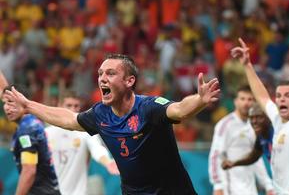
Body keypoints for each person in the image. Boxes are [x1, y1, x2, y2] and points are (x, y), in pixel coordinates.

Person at [3, 53, 221, 194]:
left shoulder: (149, 107)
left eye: (110, 73)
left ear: (129, 81)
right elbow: (69, 119)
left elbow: (180, 110)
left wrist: (200, 100)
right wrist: (29, 105)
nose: (102, 78)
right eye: (100, 74)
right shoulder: (100, 114)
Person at [231, 38, 289, 194]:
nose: (282, 99)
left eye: (288, 95)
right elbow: (262, 97)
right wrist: (247, 65)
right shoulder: (276, 118)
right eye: (279, 96)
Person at [45, 90, 119, 195]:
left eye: (76, 106)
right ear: (59, 106)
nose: (72, 109)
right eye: (69, 105)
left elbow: (97, 149)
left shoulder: (85, 133)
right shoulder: (47, 133)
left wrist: (107, 161)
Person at [0, 71, 61, 195]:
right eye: (5, 103)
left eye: (10, 102)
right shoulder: (30, 122)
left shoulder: (26, 131)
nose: (6, 107)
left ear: (23, 101)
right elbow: (3, 90)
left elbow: (29, 171)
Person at [208, 85, 273, 195]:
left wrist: (268, 185)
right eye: (242, 99)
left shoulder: (255, 126)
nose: (246, 103)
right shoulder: (225, 125)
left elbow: (256, 158)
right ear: (235, 101)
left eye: (250, 99)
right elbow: (216, 155)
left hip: (250, 189)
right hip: (229, 188)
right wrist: (218, 185)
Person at [222, 103, 273, 169]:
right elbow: (253, 156)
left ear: (269, 117)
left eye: (259, 117)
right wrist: (234, 163)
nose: (254, 121)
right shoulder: (261, 136)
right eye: (251, 118)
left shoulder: (278, 133)